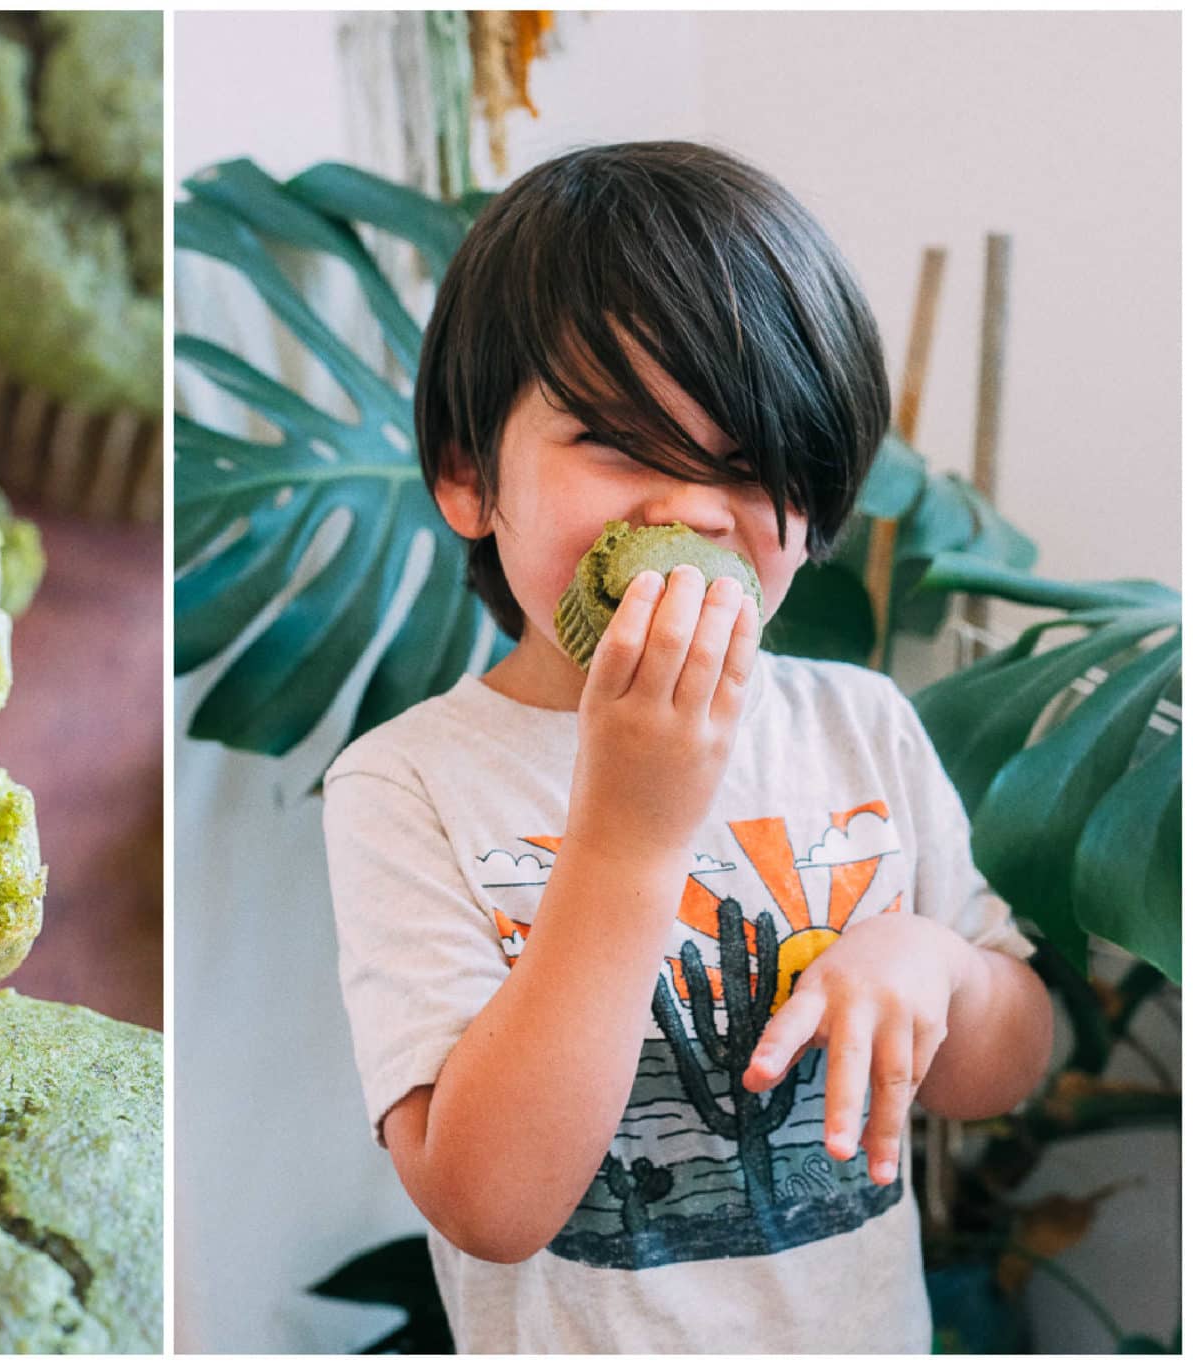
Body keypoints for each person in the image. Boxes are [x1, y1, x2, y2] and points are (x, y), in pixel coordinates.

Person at [322, 141, 1053, 1353]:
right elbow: (490, 1205)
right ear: (467, 475)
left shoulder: (858, 725)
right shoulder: (408, 784)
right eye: (617, 443)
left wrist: (932, 965)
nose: (690, 512)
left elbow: (1005, 1066)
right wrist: (628, 828)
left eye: (747, 463)